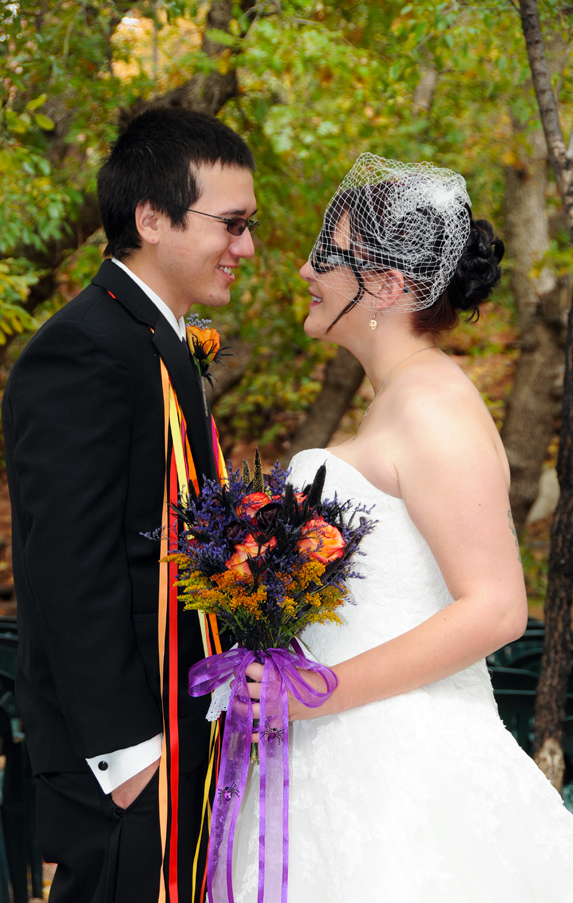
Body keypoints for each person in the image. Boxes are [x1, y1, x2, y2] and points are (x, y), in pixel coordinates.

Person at [233, 155, 573, 901]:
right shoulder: (398, 399)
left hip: (402, 766)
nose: (306, 269)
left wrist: (314, 691)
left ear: (390, 285)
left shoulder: (434, 406)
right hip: (341, 755)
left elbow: (496, 607)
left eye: (329, 255)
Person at [2, 107, 257, 903]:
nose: (247, 247)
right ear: (151, 218)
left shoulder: (154, 338)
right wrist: (128, 755)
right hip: (127, 744)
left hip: (180, 722)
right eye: (232, 224)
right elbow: (65, 564)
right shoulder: (83, 348)